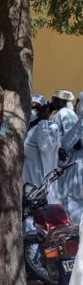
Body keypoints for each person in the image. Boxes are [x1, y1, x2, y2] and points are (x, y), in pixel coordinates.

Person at [57, 96, 83, 225]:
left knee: (75, 204)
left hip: (78, 169)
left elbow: (66, 143)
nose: (75, 105)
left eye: (78, 102)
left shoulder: (81, 123)